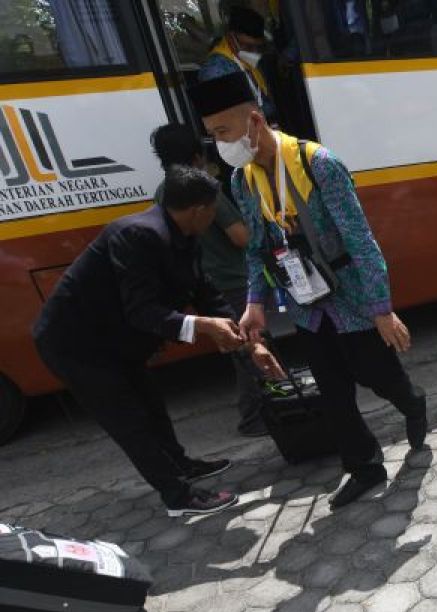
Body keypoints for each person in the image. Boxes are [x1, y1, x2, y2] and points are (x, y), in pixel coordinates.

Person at [189, 72, 428, 510]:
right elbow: (257, 247)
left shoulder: (320, 165)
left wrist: (381, 309)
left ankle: (414, 406)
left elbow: (361, 240)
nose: (219, 144)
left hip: (353, 301)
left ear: (255, 122)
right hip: (307, 305)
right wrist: (255, 304)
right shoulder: (243, 181)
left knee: (383, 379)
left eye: (223, 131)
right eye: (212, 135)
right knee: (334, 396)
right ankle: (365, 467)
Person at [32, 167, 283, 517]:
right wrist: (205, 326)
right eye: (214, 210)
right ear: (199, 210)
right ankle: (177, 497)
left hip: (117, 339)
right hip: (77, 344)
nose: (216, 218)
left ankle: (181, 464)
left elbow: (206, 293)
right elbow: (142, 311)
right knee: (130, 420)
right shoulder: (137, 234)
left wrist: (250, 342)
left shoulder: (185, 236)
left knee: (152, 405)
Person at [150, 124, 267, 438]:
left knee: (237, 346)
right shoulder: (205, 187)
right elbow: (240, 237)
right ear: (197, 155)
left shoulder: (164, 191)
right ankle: (255, 415)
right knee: (249, 346)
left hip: (202, 281)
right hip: (231, 279)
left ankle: (263, 406)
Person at [199, 6, 276, 122]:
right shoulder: (215, 71)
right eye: (248, 46)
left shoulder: (247, 59)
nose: (254, 52)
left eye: (258, 47)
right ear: (231, 37)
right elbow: (228, 118)